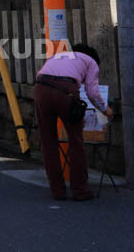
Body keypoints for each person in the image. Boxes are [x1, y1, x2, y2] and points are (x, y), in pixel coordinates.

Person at [34, 43, 114, 201]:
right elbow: (92, 92)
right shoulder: (91, 62)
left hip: (41, 89)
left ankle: (57, 191)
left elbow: (40, 75)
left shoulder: (57, 56)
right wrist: (106, 110)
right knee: (76, 141)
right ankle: (80, 190)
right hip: (65, 91)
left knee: (48, 142)